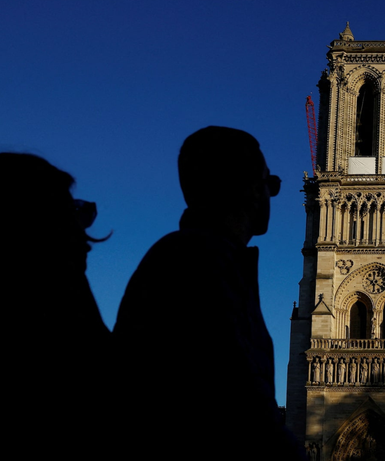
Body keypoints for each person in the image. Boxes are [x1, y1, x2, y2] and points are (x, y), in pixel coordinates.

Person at [113, 126, 305, 458]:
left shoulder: (200, 255)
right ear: (247, 189)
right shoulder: (198, 261)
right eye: (269, 184)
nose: (270, 196)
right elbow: (237, 398)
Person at [0, 152, 110, 451]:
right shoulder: (56, 291)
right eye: (68, 214)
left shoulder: (59, 287)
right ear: (29, 219)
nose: (84, 237)